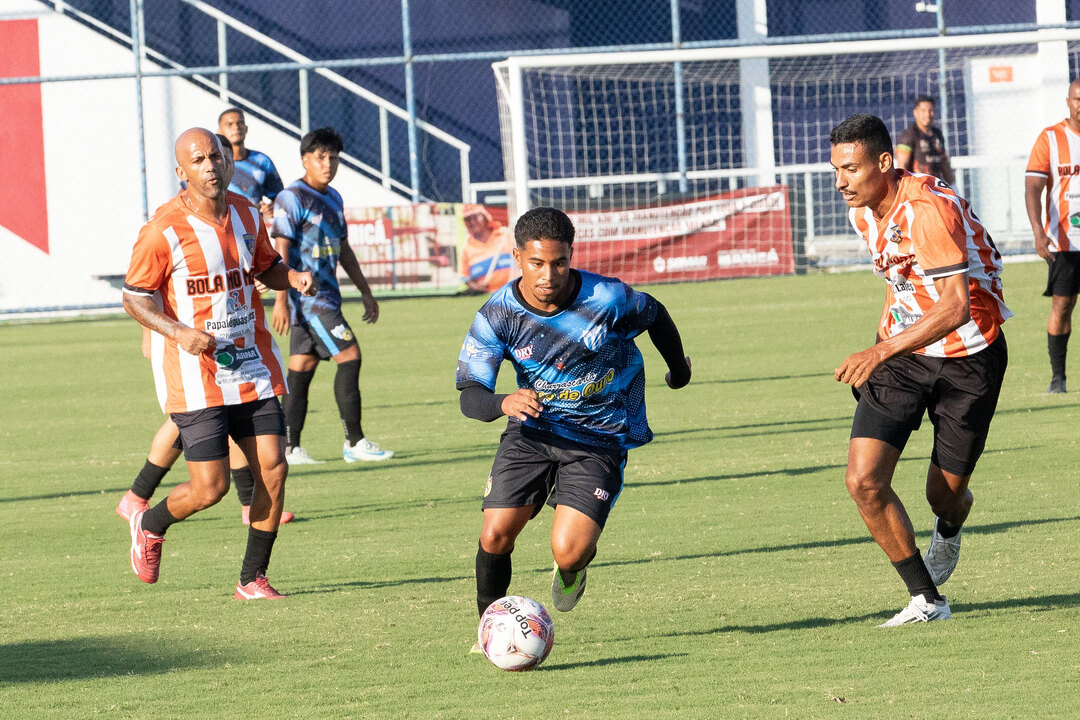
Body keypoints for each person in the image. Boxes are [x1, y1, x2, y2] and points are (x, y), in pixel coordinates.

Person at [456, 206, 692, 646]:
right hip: (532, 431)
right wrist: (502, 401)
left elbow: (656, 314)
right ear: (518, 257)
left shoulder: (607, 298)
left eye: (559, 262)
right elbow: (470, 394)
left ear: (571, 255)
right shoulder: (497, 314)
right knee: (494, 532)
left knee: (569, 551)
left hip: (598, 440)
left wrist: (678, 370)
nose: (549, 274)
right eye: (537, 263)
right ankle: (487, 628)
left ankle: (571, 570)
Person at [829, 114, 1010, 626]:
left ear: (884, 163)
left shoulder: (926, 210)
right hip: (904, 357)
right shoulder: (864, 210)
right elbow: (901, 277)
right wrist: (885, 339)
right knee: (863, 480)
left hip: (969, 356)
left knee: (943, 495)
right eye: (836, 170)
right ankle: (927, 600)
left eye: (851, 169)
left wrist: (876, 353)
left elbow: (955, 308)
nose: (840, 182)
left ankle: (949, 530)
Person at [122, 127, 316, 599]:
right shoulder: (163, 229)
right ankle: (149, 521)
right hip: (197, 374)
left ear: (228, 162)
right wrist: (177, 332)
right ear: (181, 171)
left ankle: (252, 579)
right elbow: (134, 297)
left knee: (273, 466)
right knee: (210, 489)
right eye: (199, 160)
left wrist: (291, 276)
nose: (210, 166)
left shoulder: (249, 213)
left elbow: (263, 266)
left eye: (216, 156)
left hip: (252, 362)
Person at [272, 127, 393, 465]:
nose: (328, 164)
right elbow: (280, 251)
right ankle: (354, 442)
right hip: (311, 301)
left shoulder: (334, 197)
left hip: (326, 298)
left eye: (334, 158)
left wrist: (366, 291)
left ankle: (290, 448)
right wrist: (281, 299)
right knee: (350, 357)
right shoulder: (291, 198)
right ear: (305, 160)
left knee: (301, 369)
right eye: (321, 157)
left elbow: (343, 249)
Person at [1025, 79, 1080, 394]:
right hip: (1065, 240)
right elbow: (1033, 186)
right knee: (1063, 304)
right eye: (1077, 99)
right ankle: (1058, 378)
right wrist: (1038, 232)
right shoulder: (1050, 138)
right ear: (1068, 101)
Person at [218, 107, 284, 225]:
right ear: (219, 131)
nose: (236, 127)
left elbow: (281, 198)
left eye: (240, 123)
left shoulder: (262, 160)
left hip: (254, 229)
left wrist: (272, 208)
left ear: (246, 128)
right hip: (224, 227)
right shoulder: (214, 163)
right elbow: (186, 193)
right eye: (230, 124)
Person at [894, 95, 955, 186]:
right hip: (918, 189)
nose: (927, 114)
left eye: (930, 111)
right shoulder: (908, 136)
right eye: (923, 111)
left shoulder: (938, 134)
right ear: (915, 113)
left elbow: (944, 163)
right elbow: (902, 168)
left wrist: (954, 186)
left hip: (936, 188)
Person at [459, 204, 517, 293]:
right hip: (487, 295)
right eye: (467, 219)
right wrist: (475, 286)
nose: (472, 222)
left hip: (515, 290)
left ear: (485, 217)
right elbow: (465, 278)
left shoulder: (506, 235)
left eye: (475, 217)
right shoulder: (466, 249)